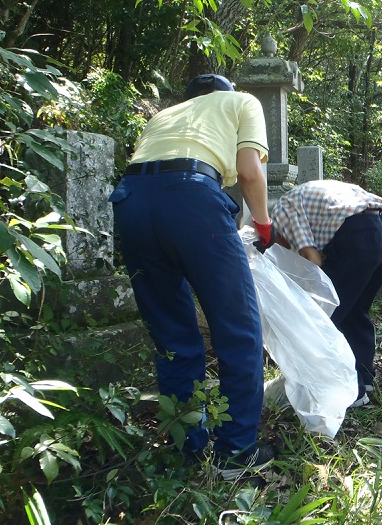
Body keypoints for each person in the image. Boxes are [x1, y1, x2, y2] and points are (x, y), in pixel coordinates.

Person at [108, 74, 275, 480]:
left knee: (171, 332)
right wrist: (264, 224)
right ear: (227, 92)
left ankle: (187, 446)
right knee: (238, 327)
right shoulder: (242, 103)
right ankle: (236, 453)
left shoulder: (165, 114)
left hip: (130, 201)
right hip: (192, 195)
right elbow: (249, 171)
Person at [270, 180, 382, 408]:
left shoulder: (283, 209)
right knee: (355, 309)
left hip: (360, 234)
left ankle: (349, 391)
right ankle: (364, 378)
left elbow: (312, 260)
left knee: (325, 318)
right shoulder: (309, 198)